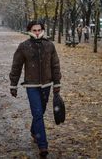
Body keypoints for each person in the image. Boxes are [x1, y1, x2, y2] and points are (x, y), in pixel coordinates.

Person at [9, 20, 62, 157]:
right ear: (30, 31)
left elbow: (55, 65)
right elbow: (16, 66)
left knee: (41, 111)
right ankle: (43, 145)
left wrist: (57, 83)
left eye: (39, 30)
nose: (37, 32)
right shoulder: (24, 47)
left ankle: (34, 130)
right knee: (37, 113)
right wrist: (13, 84)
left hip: (47, 85)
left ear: (42, 30)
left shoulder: (49, 46)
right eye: (34, 30)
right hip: (31, 85)